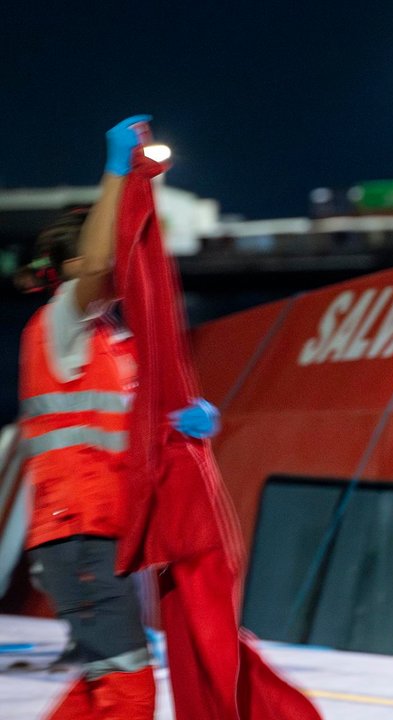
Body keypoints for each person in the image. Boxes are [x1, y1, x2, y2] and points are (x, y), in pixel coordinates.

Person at [17, 116, 219, 719]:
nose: (113, 264)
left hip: (106, 541)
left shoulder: (112, 344)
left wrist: (183, 425)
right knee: (128, 686)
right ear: (71, 269)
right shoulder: (61, 322)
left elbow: (130, 431)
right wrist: (115, 171)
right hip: (79, 539)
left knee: (104, 685)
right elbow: (102, 259)